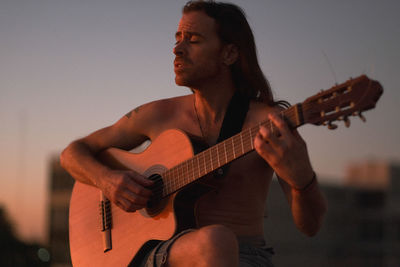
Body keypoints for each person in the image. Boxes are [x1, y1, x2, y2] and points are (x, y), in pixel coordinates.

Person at [60, 1, 327, 266]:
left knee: (217, 241)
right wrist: (107, 181)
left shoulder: (271, 124)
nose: (177, 49)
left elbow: (310, 226)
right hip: (152, 255)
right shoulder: (158, 114)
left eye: (193, 40)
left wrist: (302, 180)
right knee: (215, 240)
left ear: (229, 54)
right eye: (178, 38)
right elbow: (72, 153)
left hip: (243, 256)